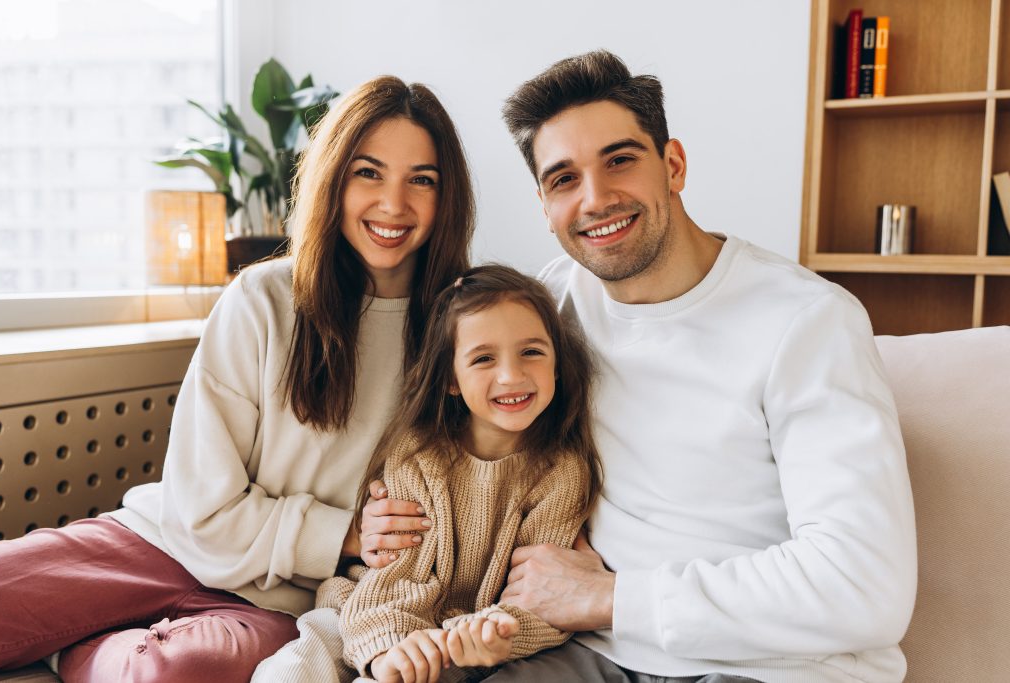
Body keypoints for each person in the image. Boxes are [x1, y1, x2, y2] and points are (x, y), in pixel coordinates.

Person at [370, 51, 918, 683]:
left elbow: (864, 586)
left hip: (774, 666)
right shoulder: (554, 304)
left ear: (673, 165)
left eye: (620, 160)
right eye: (564, 179)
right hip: (598, 652)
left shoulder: (807, 321)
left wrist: (611, 597)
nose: (596, 199)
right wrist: (388, 519)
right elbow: (472, 436)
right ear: (544, 205)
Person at [0, 75, 474, 682]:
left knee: (170, 673)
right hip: (163, 543)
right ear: (333, 179)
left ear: (447, 196)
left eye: (421, 180)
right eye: (368, 173)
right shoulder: (263, 297)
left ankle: (75, 644)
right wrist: (346, 532)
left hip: (283, 597)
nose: (393, 204)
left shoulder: (465, 330)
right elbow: (200, 507)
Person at [255, 265, 602, 683]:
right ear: (451, 380)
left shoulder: (562, 474)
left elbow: (540, 599)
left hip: (464, 642)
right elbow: (396, 575)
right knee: (290, 671)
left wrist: (498, 636)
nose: (511, 375)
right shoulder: (419, 456)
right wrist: (387, 650)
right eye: (483, 359)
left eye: (531, 352)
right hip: (368, 610)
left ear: (557, 364)